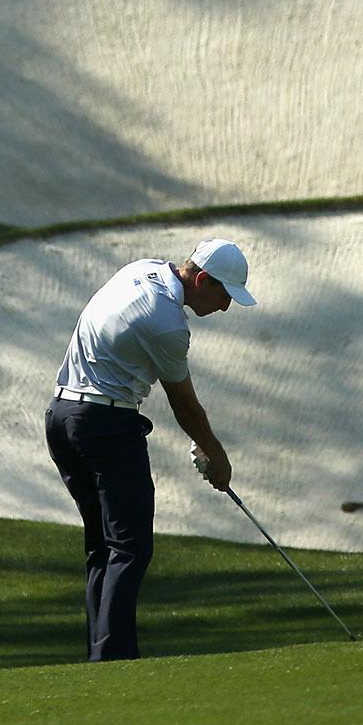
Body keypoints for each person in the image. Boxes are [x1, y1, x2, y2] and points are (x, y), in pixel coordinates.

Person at [44, 237, 256, 662]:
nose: (226, 307)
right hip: (105, 426)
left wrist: (206, 444)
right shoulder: (168, 326)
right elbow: (184, 404)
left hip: (62, 416)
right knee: (131, 546)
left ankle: (101, 655)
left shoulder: (141, 270)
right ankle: (113, 660)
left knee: (103, 546)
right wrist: (217, 455)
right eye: (223, 294)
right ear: (200, 278)